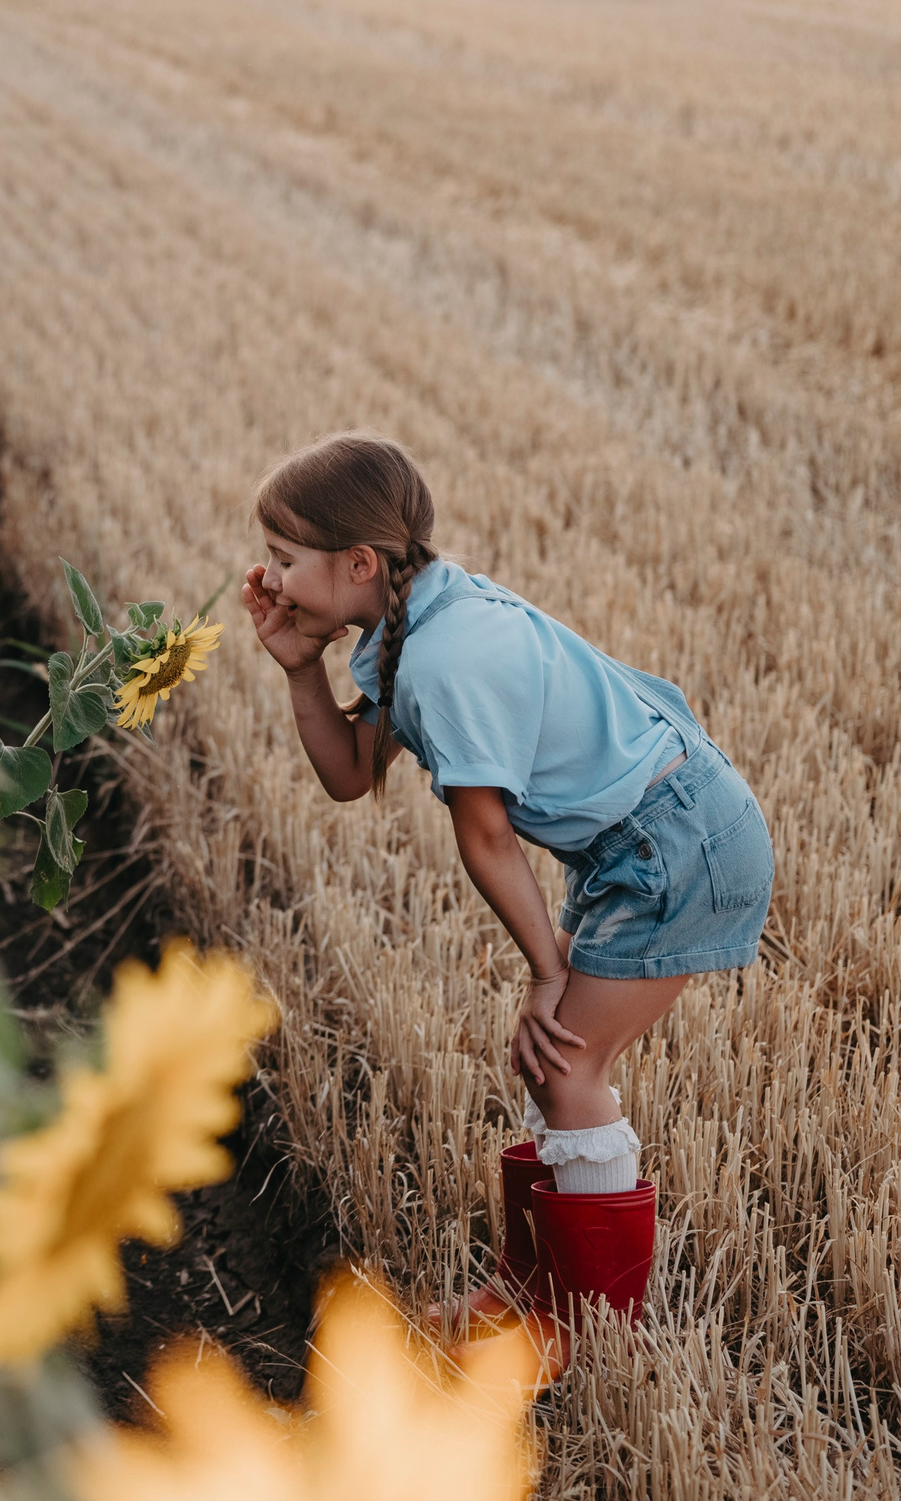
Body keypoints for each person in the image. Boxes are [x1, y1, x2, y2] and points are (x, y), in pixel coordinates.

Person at [240, 432, 769, 1343]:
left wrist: (545, 971)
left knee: (566, 1061)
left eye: (287, 560)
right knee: (552, 1066)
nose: (272, 578)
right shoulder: (411, 621)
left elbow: (486, 835)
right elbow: (350, 772)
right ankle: (535, 1293)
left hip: (678, 840)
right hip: (640, 838)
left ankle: (592, 1326)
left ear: (359, 562)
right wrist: (300, 666)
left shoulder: (446, 659)